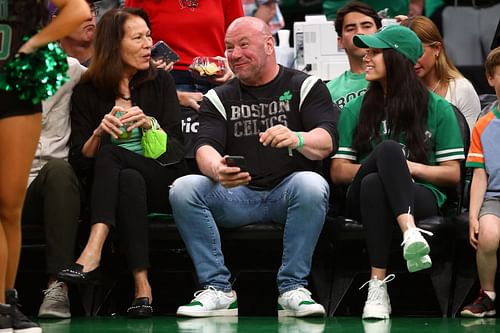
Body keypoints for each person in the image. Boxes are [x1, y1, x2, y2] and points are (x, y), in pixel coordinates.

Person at [169, 16, 339, 318]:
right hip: (237, 196)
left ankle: (292, 289)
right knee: (184, 188)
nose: (234, 55)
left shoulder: (305, 85)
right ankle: (218, 289)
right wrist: (217, 169)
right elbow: (204, 147)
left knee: (312, 184)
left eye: (244, 45)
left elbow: (326, 140)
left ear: (269, 45)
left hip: (289, 195)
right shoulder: (218, 98)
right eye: (229, 47)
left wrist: (297, 138)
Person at [56, 8, 187, 319]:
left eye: (149, 36)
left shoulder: (161, 82)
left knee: (114, 157)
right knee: (127, 178)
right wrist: (98, 134)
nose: (148, 45)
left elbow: (176, 153)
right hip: (117, 190)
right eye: (138, 38)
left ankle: (93, 249)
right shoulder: (88, 89)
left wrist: (148, 124)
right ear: (114, 45)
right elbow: (79, 160)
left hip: (161, 179)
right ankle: (143, 289)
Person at [330, 25, 464, 319]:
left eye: (376, 52)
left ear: (399, 60)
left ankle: (378, 287)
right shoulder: (355, 109)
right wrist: (382, 162)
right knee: (387, 153)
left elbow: (452, 175)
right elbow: (338, 170)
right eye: (367, 51)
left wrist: (407, 170)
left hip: (420, 195)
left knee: (378, 184)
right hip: (359, 199)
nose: (366, 58)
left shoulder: (438, 109)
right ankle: (410, 233)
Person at [0, 1, 91, 332]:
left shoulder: (63, 65)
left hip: (19, 83)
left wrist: (33, 45)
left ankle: (6, 305)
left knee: (8, 207)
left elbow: (79, 10)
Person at [23, 3, 97, 319]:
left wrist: (179, 95)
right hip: (8, 180)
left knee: (60, 171)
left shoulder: (69, 69)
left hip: (44, 185)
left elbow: (110, 79)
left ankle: (57, 288)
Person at [124, 0, 243, 172]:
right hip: (162, 83)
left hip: (216, 82)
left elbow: (241, 37)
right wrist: (149, 68)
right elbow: (122, 43)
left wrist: (232, 69)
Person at [460, 46, 500, 318]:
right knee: (487, 235)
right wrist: (474, 216)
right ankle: (487, 295)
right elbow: (479, 174)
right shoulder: (483, 125)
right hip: (495, 198)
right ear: (490, 78)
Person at [401, 15, 481, 131]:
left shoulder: (461, 89)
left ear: (437, 49)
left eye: (418, 51)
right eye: (405, 53)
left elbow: (470, 143)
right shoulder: (397, 89)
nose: (412, 60)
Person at [326, 1, 381, 110]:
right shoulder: (328, 91)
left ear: (379, 33)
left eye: (366, 26)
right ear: (340, 42)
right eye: (351, 29)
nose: (359, 32)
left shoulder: (396, 78)